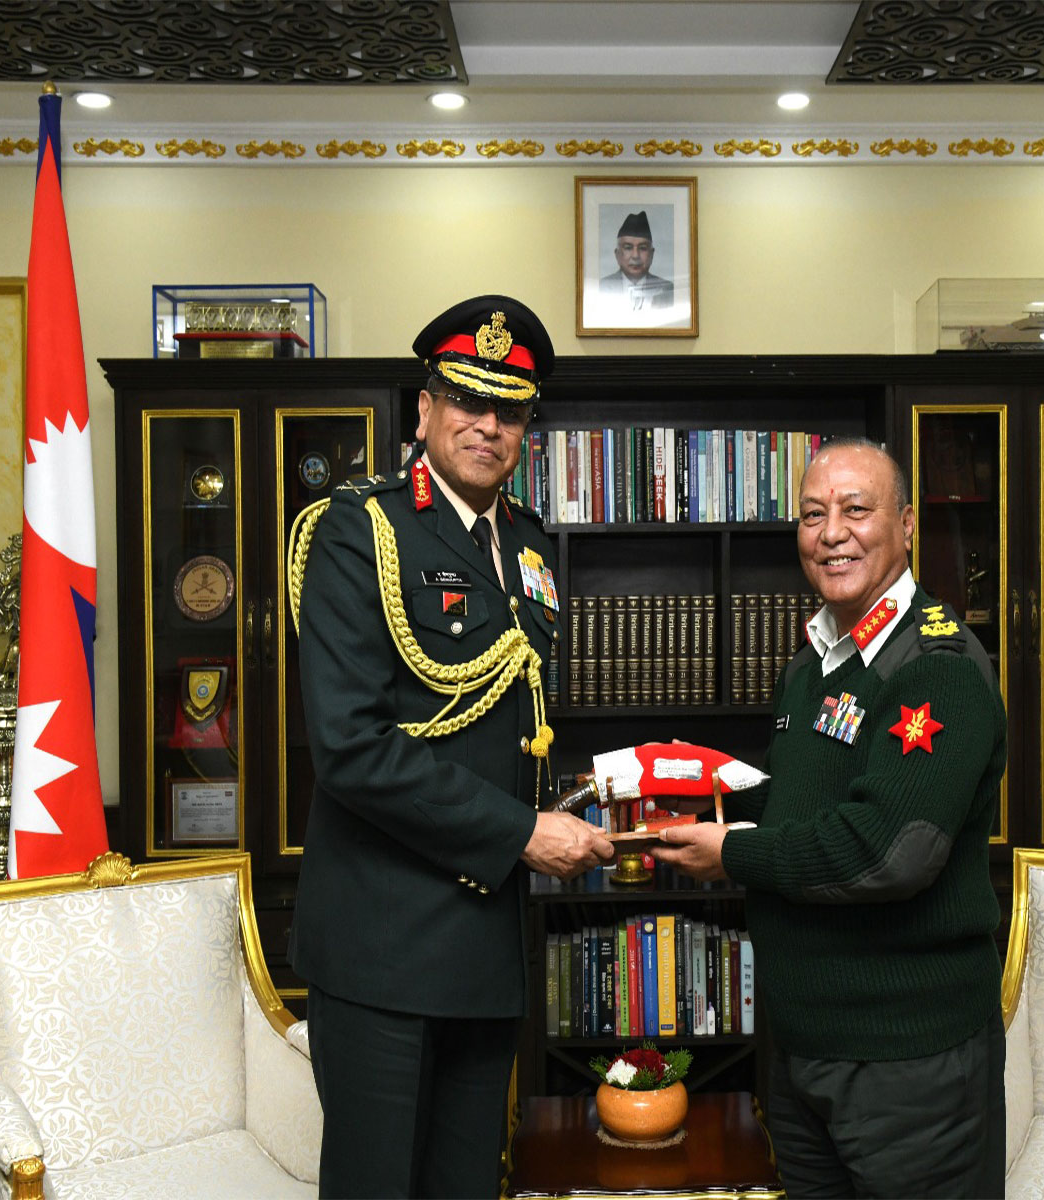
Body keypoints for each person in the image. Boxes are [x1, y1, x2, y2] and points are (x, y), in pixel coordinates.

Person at [288, 294, 614, 1199]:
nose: (487, 424)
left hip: (488, 942)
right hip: (383, 939)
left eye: (508, 410)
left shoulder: (531, 547)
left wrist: (575, 809)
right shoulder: (360, 529)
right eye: (466, 400)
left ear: (526, 432)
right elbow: (350, 747)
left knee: (471, 1185)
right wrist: (520, 833)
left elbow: (511, 730)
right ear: (424, 410)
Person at [654, 438, 1007, 1199]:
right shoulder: (814, 663)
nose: (831, 532)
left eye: (856, 510)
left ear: (906, 525)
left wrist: (733, 852)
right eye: (813, 515)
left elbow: (888, 853)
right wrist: (683, 784)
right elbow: (797, 803)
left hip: (907, 1064)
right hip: (807, 1050)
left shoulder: (936, 667)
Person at [597, 210, 674, 310]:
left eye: (642, 248)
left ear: (652, 254)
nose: (635, 256)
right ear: (617, 254)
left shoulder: (667, 289)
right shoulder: (600, 287)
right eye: (628, 248)